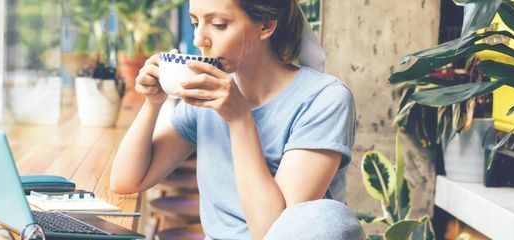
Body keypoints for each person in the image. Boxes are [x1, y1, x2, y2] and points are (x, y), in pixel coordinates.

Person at [109, 0, 364, 239]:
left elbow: (274, 233)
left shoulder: (324, 100)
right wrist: (153, 103)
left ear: (265, 25)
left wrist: (240, 120)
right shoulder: (209, 96)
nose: (200, 40)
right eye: (195, 23)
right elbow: (126, 181)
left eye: (219, 25)